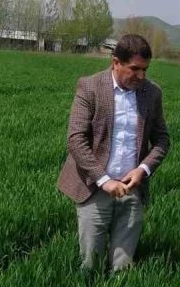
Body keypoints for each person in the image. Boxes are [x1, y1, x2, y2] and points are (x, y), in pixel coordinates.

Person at [57, 33, 170, 272]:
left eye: (145, 70)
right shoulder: (90, 87)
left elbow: (161, 140)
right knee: (91, 262)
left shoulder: (152, 93)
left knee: (123, 265)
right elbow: (76, 139)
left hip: (132, 189)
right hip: (94, 188)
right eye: (135, 69)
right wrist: (104, 180)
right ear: (116, 62)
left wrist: (143, 169)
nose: (141, 76)